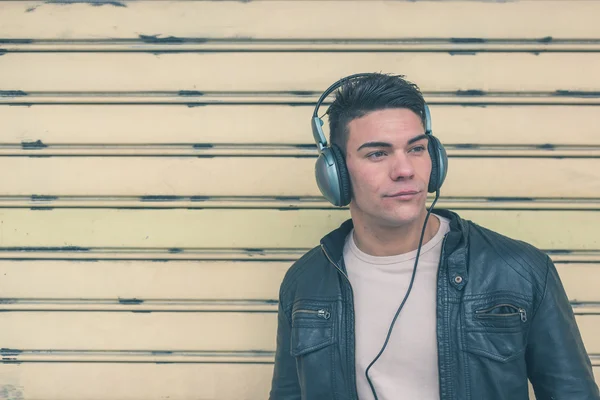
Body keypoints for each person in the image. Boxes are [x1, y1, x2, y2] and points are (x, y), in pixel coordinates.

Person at [268, 72, 599, 400]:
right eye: (377, 154)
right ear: (334, 173)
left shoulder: (519, 270)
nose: (405, 170)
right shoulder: (306, 282)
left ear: (435, 159)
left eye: (416, 149)